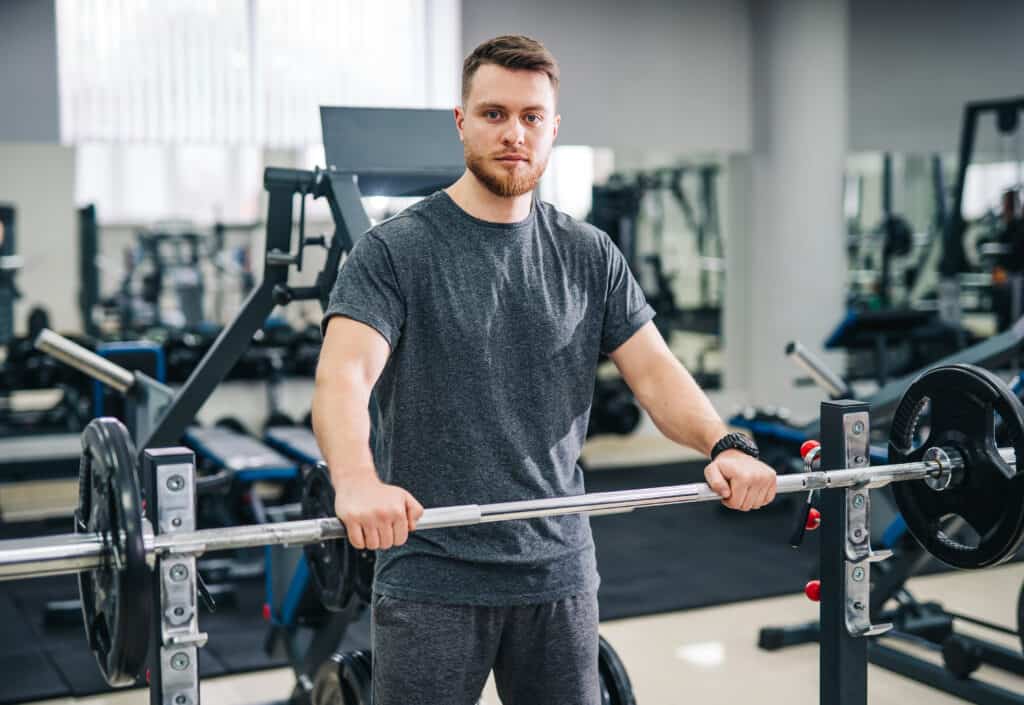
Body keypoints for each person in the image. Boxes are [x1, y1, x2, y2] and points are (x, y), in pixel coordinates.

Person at [312, 34, 777, 705]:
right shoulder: (396, 251)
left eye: (531, 117)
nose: (514, 133)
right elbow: (344, 377)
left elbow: (655, 372)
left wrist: (724, 442)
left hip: (559, 570)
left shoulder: (588, 253)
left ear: (553, 129)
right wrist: (356, 480)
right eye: (494, 113)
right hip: (433, 572)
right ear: (461, 121)